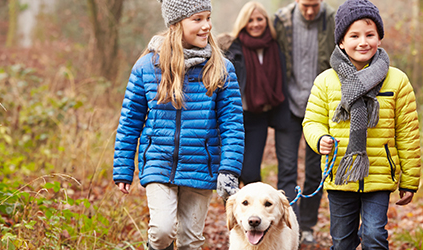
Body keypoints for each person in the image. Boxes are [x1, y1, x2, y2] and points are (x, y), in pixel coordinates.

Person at [112, 0, 244, 249]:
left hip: (201, 166)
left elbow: (232, 124)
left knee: (190, 240)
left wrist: (229, 170)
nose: (207, 26)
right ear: (175, 24)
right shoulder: (147, 67)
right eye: (197, 19)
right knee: (162, 231)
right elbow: (130, 121)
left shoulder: (221, 68)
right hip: (159, 163)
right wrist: (123, 167)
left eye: (208, 18)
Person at [302, 0, 422, 248]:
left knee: (374, 236)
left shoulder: (397, 80)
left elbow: (408, 134)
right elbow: (312, 121)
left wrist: (409, 180)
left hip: (379, 173)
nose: (363, 42)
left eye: (370, 34)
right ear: (341, 42)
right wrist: (319, 138)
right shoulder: (325, 81)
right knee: (342, 241)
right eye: (354, 35)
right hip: (340, 173)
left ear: (379, 37)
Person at [273, 0, 335, 244]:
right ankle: (287, 223)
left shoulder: (332, 19)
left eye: (315, 5)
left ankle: (306, 225)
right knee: (287, 168)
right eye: (305, 5)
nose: (310, 11)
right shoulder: (281, 20)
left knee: (314, 170)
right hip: (287, 105)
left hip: (320, 107)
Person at [224, 1, 291, 195]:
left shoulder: (274, 47)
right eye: (250, 20)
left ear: (266, 21)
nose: (255, 24)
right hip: (233, 118)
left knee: (251, 172)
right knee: (232, 172)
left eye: (259, 19)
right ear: (243, 22)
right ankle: (236, 216)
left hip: (257, 118)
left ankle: (258, 207)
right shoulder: (233, 48)